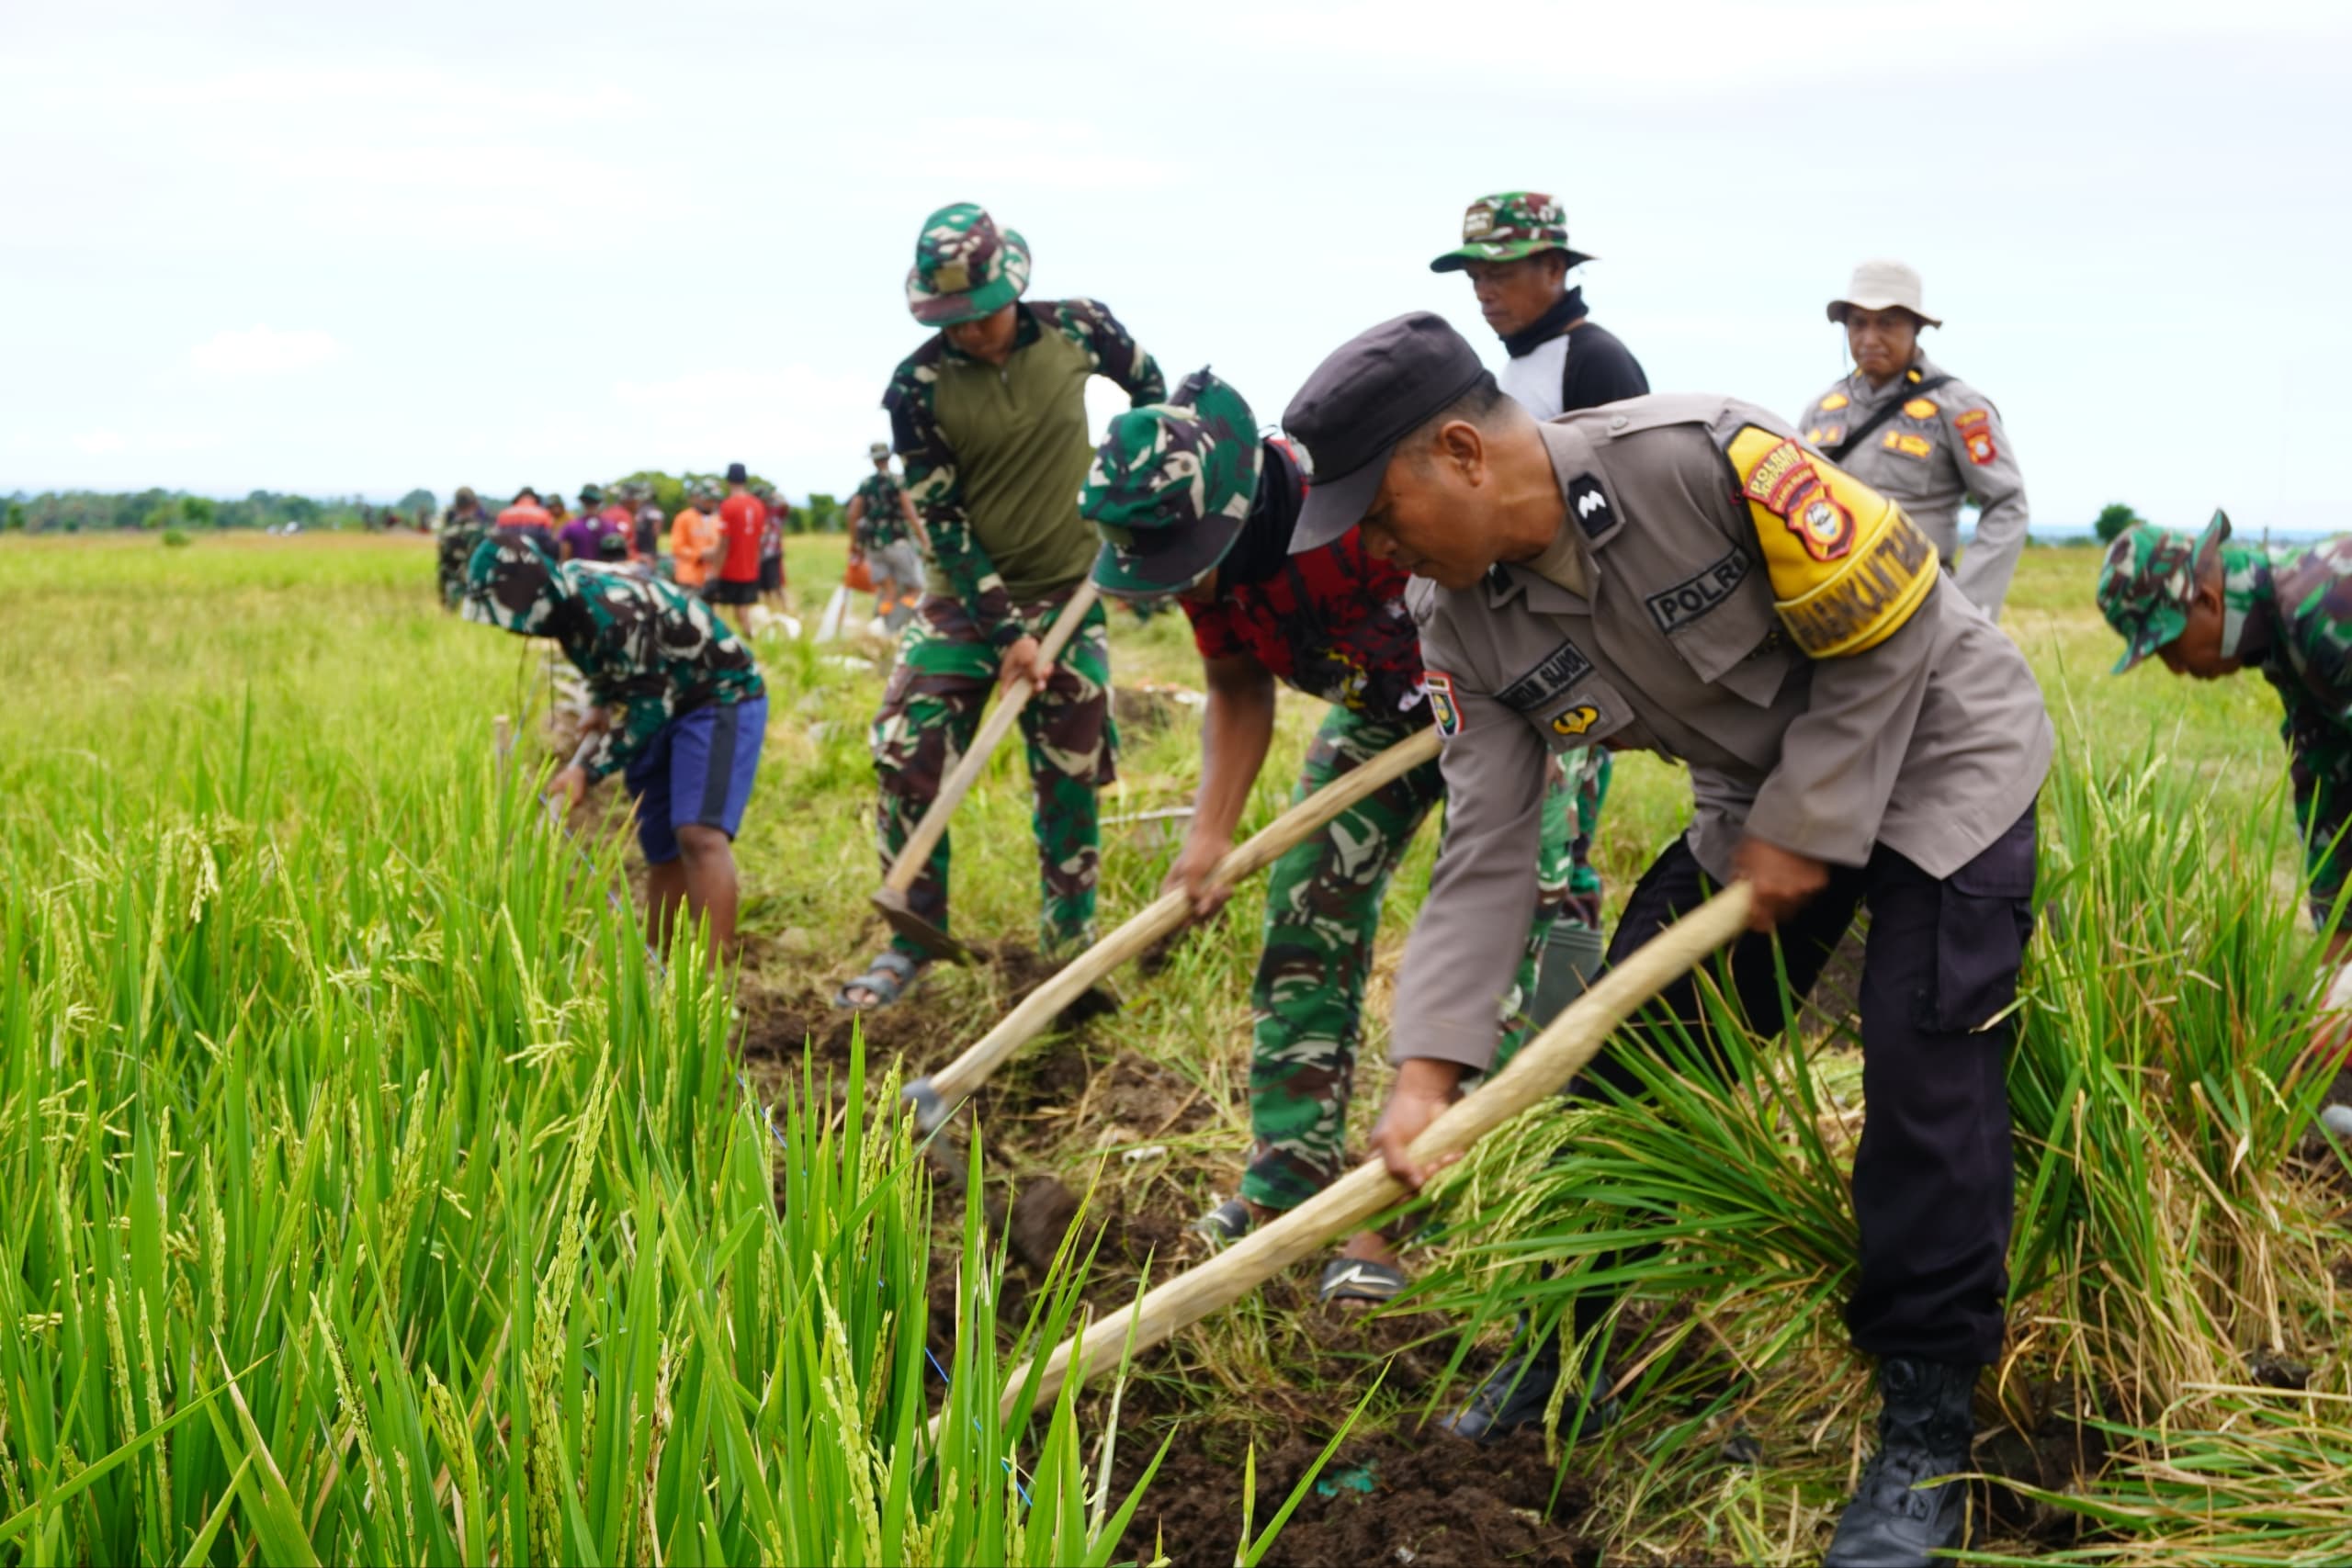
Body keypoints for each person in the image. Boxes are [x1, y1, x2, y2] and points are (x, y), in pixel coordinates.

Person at [1286, 313, 2051, 1568]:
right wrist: (1428, 1069)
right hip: (1754, 810)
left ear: (1464, 451)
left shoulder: (1710, 454)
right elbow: (1487, 846)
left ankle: (1925, 1425)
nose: (1376, 555)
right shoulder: (1458, 623)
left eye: (1380, 515)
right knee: (1636, 1070)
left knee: (1927, 1073)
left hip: (1940, 759)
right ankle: (1573, 1346)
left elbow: (1892, 633)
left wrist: (1809, 824)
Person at [1080, 368, 1578, 1303]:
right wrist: (1207, 835)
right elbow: (1235, 686)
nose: (1185, 582)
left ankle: (1414, 1198)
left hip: (1518, 701)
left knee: (1537, 928)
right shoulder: (1198, 556)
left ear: (1238, 510)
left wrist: (1492, 705)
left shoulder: (1355, 503)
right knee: (1307, 897)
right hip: (1382, 714)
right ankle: (1287, 1176)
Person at [839, 201, 1165, 1010]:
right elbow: (941, 523)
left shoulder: (1083, 330)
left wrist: (1134, 485)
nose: (969, 332)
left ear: (1010, 287)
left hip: (1071, 586)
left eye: (979, 316)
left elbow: (1155, 396)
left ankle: (1067, 950)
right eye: (951, 319)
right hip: (963, 601)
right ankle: (911, 939)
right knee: (907, 748)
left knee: (1069, 768)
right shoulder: (917, 386)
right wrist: (1006, 632)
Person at [461, 536, 766, 966]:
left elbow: (648, 709)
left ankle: (712, 979)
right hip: (661, 693)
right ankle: (659, 964)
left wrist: (586, 769)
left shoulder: (607, 611)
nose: (514, 629)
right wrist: (600, 701)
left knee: (699, 834)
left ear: (536, 597)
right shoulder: (566, 605)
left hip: (716, 696)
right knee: (660, 844)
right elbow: (608, 662)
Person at [2099, 514, 2352, 967]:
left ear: (2208, 602)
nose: (2176, 669)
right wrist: (2335, 947)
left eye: (2169, 647)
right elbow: (2328, 786)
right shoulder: (2281, 642)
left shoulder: (2320, 613)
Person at [1798, 260, 2031, 618]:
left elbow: (2007, 503)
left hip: (1922, 605)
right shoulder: (1822, 410)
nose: (1869, 338)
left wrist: (1966, 608)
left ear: (1916, 327)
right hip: (1832, 608)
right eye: (1858, 323)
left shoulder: (1958, 407)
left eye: (1887, 323)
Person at [1431, 191, 1647, 420]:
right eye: (1474, 277)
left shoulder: (1597, 360)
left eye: (1499, 275)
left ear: (1553, 269)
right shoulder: (1527, 356)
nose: (1482, 293)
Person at [846, 440, 925, 633]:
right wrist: (923, 538)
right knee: (914, 589)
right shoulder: (897, 481)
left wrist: (855, 543)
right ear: (888, 458)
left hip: (874, 546)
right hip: (896, 542)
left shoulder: (866, 484)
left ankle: (880, 626)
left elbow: (853, 514)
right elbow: (910, 512)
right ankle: (894, 627)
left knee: (888, 590)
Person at [711, 462, 767, 634]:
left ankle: (720, 642)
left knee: (714, 607)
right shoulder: (758, 505)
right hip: (750, 566)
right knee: (742, 609)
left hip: (731, 568)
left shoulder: (728, 505)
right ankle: (749, 637)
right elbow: (761, 537)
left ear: (729, 481)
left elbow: (724, 543)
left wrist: (715, 571)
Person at [436, 486, 489, 607]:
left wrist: (443, 600)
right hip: (479, 595)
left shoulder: (447, 534)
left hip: (454, 593)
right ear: (475, 505)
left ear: (456, 506)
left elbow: (443, 569)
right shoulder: (484, 532)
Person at [669, 484, 723, 593]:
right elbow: (677, 547)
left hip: (711, 576)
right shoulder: (684, 518)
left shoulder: (718, 519)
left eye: (714, 500)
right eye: (709, 499)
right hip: (689, 576)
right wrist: (700, 554)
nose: (712, 503)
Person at [752, 481, 789, 612]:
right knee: (765, 588)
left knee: (777, 585)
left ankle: (786, 610)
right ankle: (772, 611)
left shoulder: (775, 511)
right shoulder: (756, 513)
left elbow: (786, 506)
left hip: (773, 554)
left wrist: (776, 495)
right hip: (760, 555)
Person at [494, 487, 556, 556]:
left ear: (517, 498)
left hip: (506, 556)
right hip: (534, 557)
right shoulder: (544, 514)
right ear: (535, 498)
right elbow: (548, 541)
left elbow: (496, 538)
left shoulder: (504, 514)